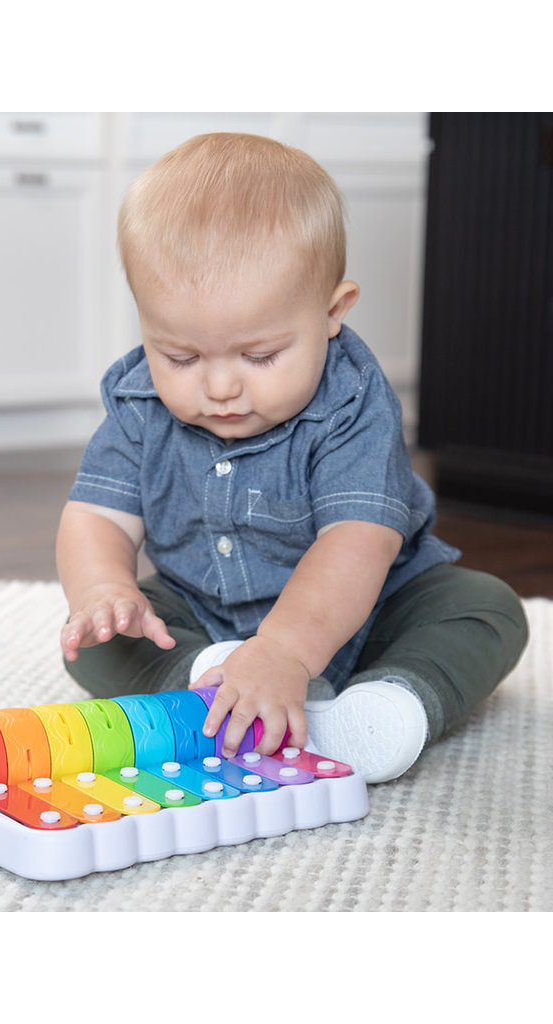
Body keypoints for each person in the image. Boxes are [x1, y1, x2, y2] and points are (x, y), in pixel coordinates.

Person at [55, 132, 528, 783]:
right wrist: (103, 588)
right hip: (205, 608)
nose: (220, 387)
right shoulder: (139, 401)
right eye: (181, 356)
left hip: (375, 607)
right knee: (96, 639)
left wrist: (283, 649)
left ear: (332, 313)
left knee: (488, 608)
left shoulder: (351, 402)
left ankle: (388, 705)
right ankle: (213, 679)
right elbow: (97, 517)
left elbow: (355, 543)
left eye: (259, 356)